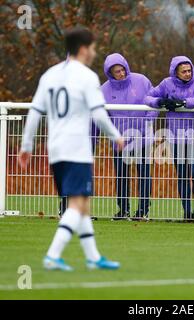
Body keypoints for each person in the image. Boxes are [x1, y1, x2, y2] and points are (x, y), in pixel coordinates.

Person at [18, 27, 125, 271]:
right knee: (76, 205)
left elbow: (35, 111)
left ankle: (93, 257)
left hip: (55, 148)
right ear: (84, 48)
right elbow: (99, 112)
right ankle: (53, 255)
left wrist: (27, 145)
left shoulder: (50, 75)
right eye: (94, 48)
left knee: (82, 203)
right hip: (77, 147)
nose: (95, 53)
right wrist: (115, 136)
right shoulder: (87, 77)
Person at [144, 56, 194, 223]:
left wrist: (184, 102)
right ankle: (187, 212)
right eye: (184, 71)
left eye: (189, 70)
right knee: (182, 174)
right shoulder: (166, 83)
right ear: (176, 72)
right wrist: (160, 101)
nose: (188, 74)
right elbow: (147, 97)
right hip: (176, 137)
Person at [101, 53, 158, 221]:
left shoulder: (142, 80)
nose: (121, 73)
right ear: (110, 73)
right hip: (120, 140)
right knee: (121, 175)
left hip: (143, 138)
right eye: (116, 71)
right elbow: (102, 115)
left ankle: (143, 210)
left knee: (144, 174)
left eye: (122, 69)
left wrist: (149, 120)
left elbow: (154, 102)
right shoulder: (103, 89)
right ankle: (123, 210)